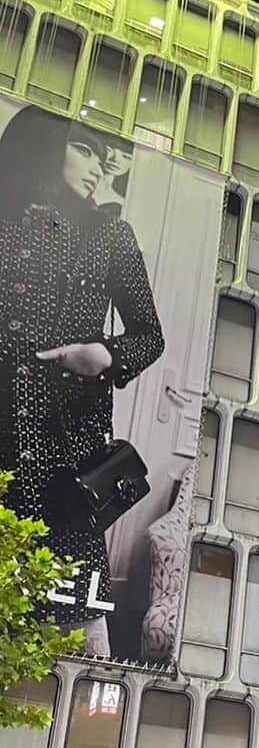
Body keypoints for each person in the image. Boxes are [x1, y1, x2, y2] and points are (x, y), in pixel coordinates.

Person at [0, 104, 164, 656]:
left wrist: (104, 354)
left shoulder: (111, 236)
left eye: (106, 158)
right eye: (85, 150)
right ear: (47, 143)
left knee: (74, 620)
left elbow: (149, 335)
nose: (100, 169)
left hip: (65, 447)